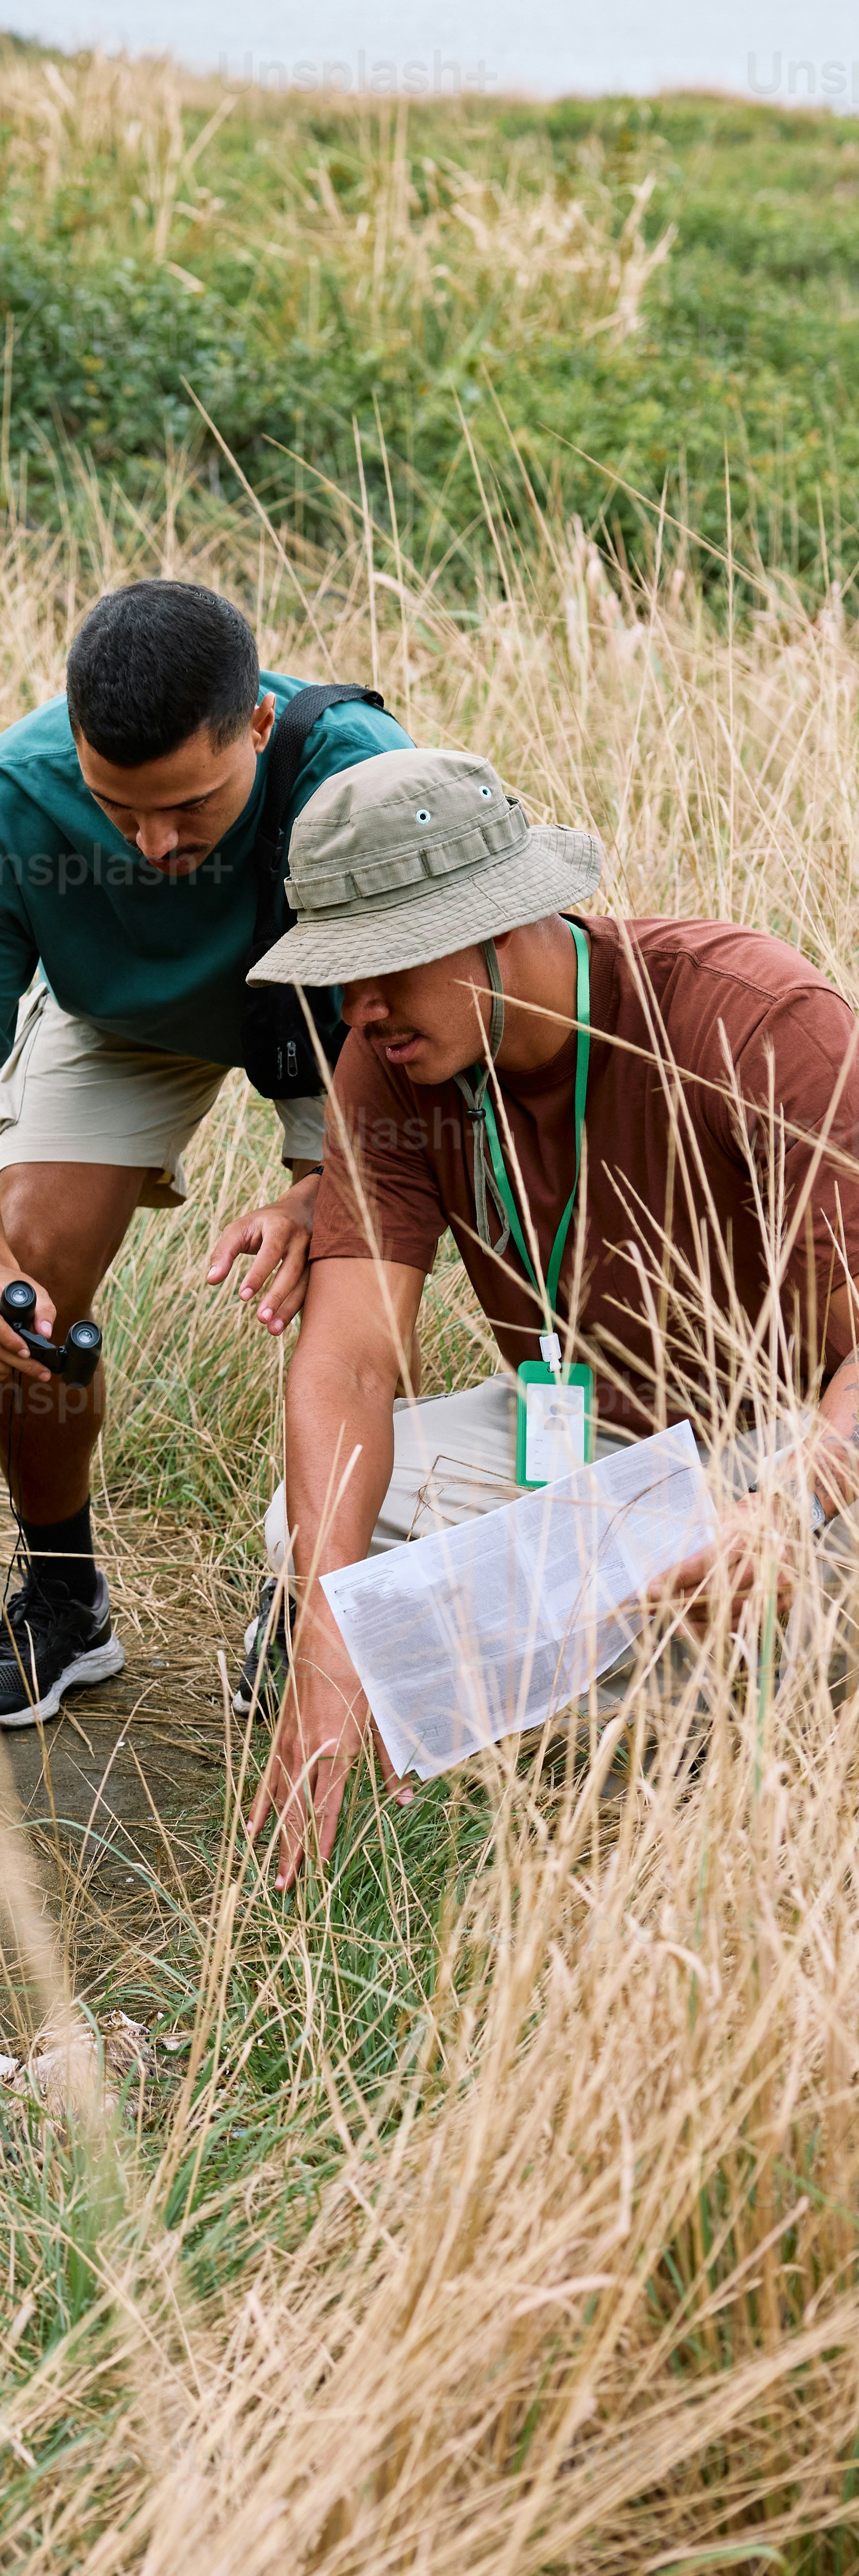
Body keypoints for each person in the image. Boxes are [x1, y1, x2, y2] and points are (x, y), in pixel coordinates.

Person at [252, 744, 859, 1886]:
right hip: (598, 1448)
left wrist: (785, 1506)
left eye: (385, 966)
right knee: (311, 1533)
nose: (358, 1007)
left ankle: (534, 1697)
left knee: (774, 1570)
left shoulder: (753, 1014)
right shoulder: (391, 1061)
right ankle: (500, 1681)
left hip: (793, 1449)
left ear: (498, 922)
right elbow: (347, 1368)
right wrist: (331, 1643)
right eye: (338, 975)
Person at [0, 576, 416, 1728]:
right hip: (123, 1017)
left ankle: (315, 1603)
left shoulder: (361, 768)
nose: (155, 842)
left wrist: (324, 1188)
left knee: (352, 1280)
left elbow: (428, 994)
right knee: (32, 1278)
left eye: (190, 806)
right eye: (119, 808)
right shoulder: (5, 807)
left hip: (349, 1021)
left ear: (259, 728)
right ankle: (62, 1593)